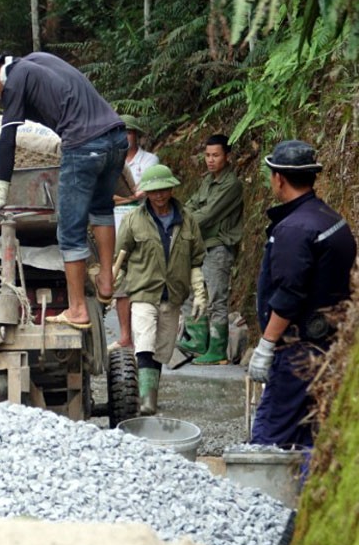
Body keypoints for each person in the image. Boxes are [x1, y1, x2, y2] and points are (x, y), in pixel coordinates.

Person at [0, 52, 127, 330]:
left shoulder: (12, 83)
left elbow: (7, 140)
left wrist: (1, 192)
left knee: (70, 230)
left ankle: (76, 310)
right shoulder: (37, 61)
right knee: (101, 209)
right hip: (116, 138)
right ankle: (106, 282)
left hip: (83, 145)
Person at [248, 140, 355, 449]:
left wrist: (267, 345)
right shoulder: (332, 219)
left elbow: (288, 294)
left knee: (271, 435)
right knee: (308, 432)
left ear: (278, 178)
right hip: (327, 344)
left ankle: (262, 495)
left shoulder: (294, 229)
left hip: (297, 348)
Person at [115, 165, 207, 415]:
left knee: (161, 348)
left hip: (173, 295)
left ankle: (150, 394)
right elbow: (120, 258)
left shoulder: (187, 220)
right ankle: (147, 402)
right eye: (154, 191)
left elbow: (196, 259)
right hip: (144, 292)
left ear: (171, 188)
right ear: (146, 193)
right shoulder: (132, 220)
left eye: (163, 190)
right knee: (144, 342)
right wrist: (112, 287)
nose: (159, 196)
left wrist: (199, 292)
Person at [177, 134, 244, 365]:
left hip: (219, 248)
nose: (210, 160)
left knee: (217, 298)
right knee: (192, 292)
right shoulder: (208, 181)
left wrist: (179, 220)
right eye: (207, 155)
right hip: (202, 246)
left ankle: (217, 350)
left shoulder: (232, 185)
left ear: (227, 156)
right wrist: (182, 214)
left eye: (216, 155)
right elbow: (192, 204)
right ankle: (196, 340)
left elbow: (207, 214)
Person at [111, 115, 160, 351]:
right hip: (116, 226)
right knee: (120, 280)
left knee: (144, 279)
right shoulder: (110, 161)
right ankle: (124, 335)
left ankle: (147, 336)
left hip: (144, 225)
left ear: (137, 135)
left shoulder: (149, 160)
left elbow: (146, 192)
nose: (125, 137)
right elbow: (106, 197)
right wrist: (131, 196)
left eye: (129, 132)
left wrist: (124, 198)